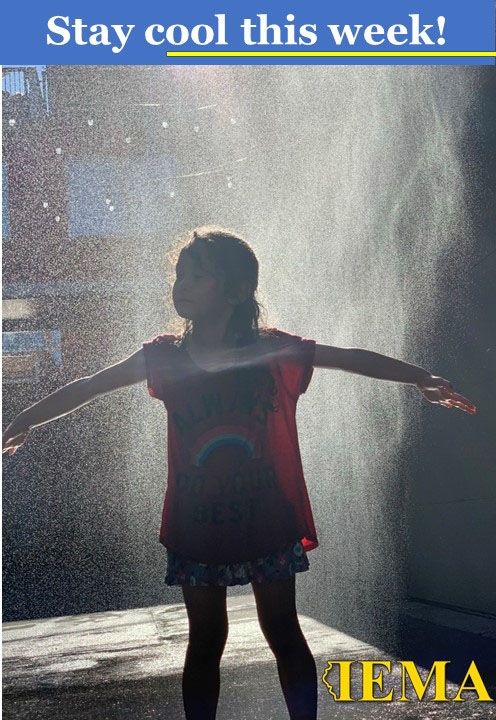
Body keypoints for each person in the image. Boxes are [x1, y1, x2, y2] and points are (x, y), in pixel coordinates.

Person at [2, 225, 476, 720]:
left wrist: (421, 377)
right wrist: (25, 418)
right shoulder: (163, 355)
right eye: (179, 274)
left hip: (265, 517)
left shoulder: (270, 350)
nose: (181, 285)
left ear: (236, 290)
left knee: (282, 630)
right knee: (206, 639)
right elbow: (92, 384)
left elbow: (346, 358)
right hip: (197, 524)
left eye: (197, 276)